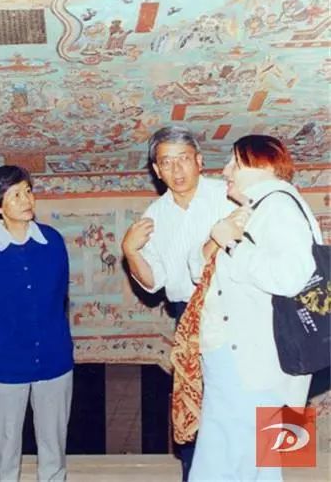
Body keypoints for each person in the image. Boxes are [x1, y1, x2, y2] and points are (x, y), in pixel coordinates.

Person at [187, 135, 320, 481]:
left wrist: (231, 243)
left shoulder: (278, 206)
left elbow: (290, 277)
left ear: (260, 165)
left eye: (234, 162)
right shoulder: (263, 207)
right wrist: (220, 238)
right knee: (263, 468)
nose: (225, 170)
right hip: (264, 362)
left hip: (246, 361)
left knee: (219, 465)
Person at [120, 126, 234, 480]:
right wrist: (130, 251)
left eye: (183, 159)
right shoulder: (154, 216)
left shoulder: (228, 195)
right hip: (188, 317)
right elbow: (153, 283)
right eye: (167, 163)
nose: (177, 169)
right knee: (194, 405)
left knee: (250, 400)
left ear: (199, 160)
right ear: (156, 170)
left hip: (239, 309)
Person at [0, 165, 74, 482]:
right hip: (5, 367)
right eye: (15, 195)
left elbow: (60, 295)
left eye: (28, 191)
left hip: (54, 361)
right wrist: (2, 342)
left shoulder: (53, 241)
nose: (26, 200)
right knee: (5, 452)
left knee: (54, 450)